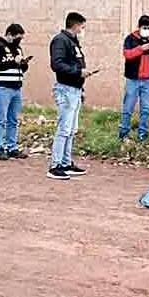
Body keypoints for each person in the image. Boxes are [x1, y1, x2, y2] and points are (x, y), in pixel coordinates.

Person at [48, 11, 92, 181]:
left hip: (75, 89)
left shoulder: (73, 42)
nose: (83, 30)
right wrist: (78, 71)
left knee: (72, 130)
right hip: (65, 89)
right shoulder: (60, 40)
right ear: (75, 25)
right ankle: (55, 165)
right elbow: (57, 64)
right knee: (64, 129)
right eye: (82, 26)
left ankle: (66, 162)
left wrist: (81, 86)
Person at [0, 23, 30, 161]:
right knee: (1, 119)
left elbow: (22, 68)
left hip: (16, 88)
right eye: (18, 37)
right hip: (2, 88)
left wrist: (23, 63)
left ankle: (12, 147)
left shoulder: (18, 49)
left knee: (13, 120)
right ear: (10, 34)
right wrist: (14, 62)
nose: (20, 41)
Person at [119, 15, 149, 142]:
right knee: (128, 108)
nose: (147, 30)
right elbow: (127, 54)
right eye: (145, 28)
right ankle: (123, 133)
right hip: (133, 79)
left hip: (148, 80)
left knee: (146, 109)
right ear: (139, 27)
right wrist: (140, 49)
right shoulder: (130, 39)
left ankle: (143, 134)